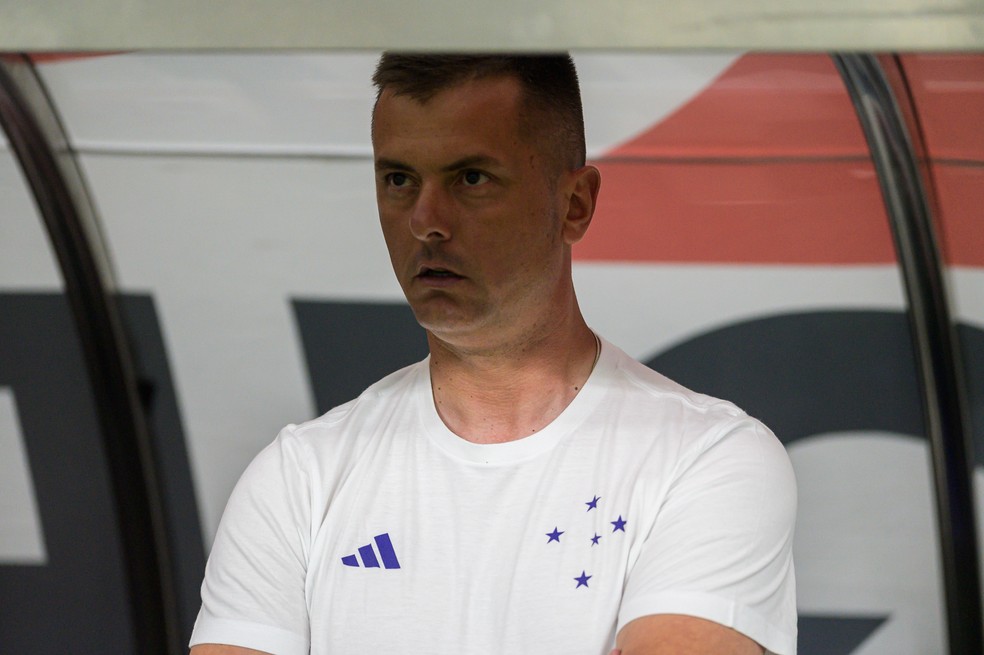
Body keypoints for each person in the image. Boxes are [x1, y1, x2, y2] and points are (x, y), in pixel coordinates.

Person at [189, 53, 797, 655]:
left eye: (471, 178)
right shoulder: (297, 478)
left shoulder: (708, 458)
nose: (426, 221)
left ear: (575, 205)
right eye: (399, 180)